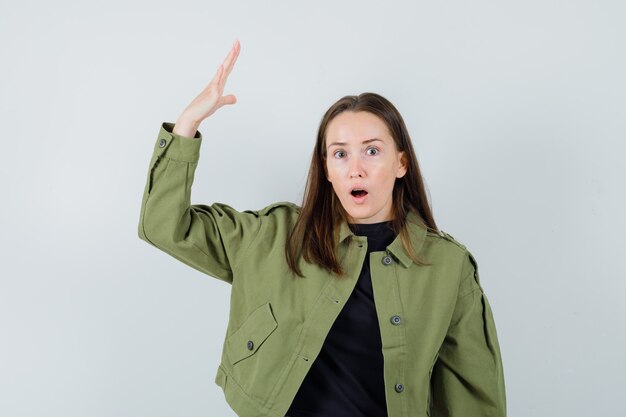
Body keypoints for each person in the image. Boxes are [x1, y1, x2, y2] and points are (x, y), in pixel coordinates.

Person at [138, 40, 506, 417]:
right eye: (341, 153)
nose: (356, 168)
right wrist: (187, 125)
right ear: (328, 169)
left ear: (401, 163)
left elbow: (472, 395)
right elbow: (164, 226)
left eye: (372, 150)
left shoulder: (448, 266)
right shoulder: (276, 235)